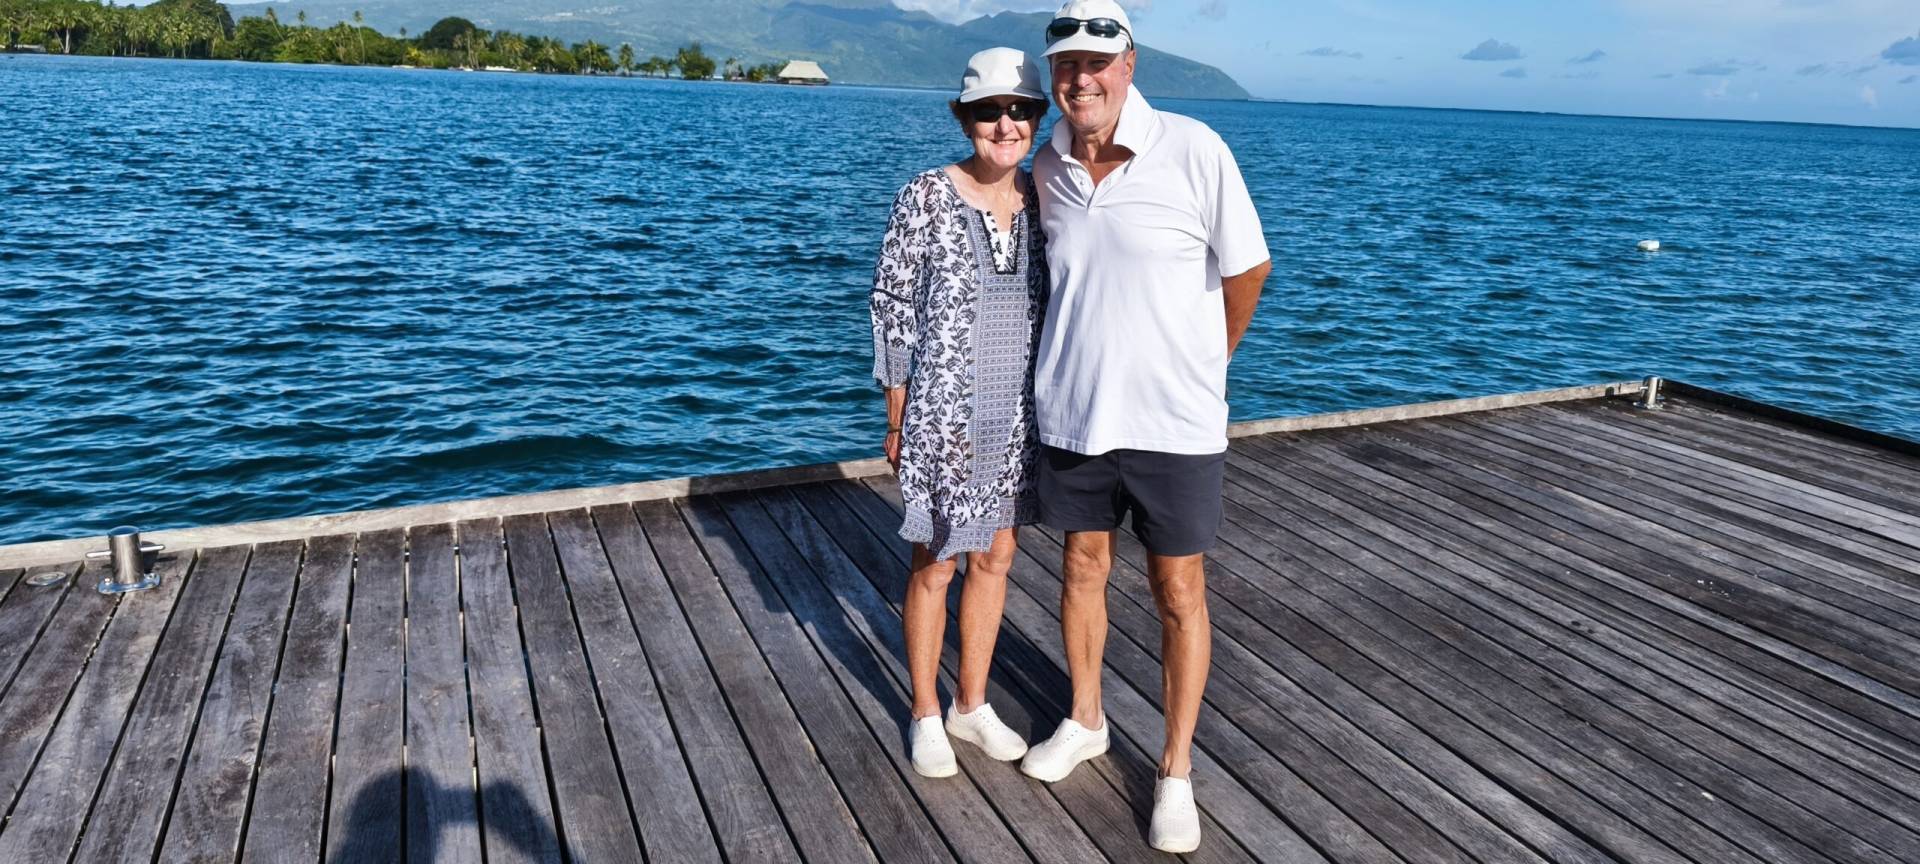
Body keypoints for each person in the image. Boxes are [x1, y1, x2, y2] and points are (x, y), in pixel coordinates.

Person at [1015, 0, 1273, 854]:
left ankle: (1174, 770)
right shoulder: (1045, 163)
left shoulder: (1194, 149)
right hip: (1075, 409)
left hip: (1175, 423)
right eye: (1065, 65)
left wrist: (1207, 361)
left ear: (1129, 65)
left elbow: (1248, 269)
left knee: (1179, 590)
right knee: (1081, 567)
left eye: (1096, 63)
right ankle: (1086, 719)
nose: (1080, 79)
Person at [869, 47, 1052, 779]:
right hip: (942, 416)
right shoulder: (925, 195)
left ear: (1037, 117)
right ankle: (924, 710)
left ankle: (970, 704)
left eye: (1020, 109)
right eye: (988, 110)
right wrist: (896, 413)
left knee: (997, 556)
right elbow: (891, 305)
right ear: (962, 117)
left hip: (1018, 418)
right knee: (936, 562)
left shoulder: (1047, 197)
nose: (1005, 124)